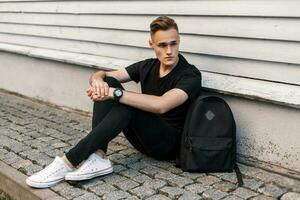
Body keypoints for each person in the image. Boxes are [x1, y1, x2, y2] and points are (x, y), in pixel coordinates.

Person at [26, 16, 202, 188]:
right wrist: (98, 81)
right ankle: (98, 156)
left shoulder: (190, 74)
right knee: (108, 84)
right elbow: (105, 75)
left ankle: (68, 162)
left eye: (173, 43)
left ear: (179, 41)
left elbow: (161, 105)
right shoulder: (147, 66)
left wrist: (114, 93)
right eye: (162, 45)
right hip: (143, 140)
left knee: (126, 105)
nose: (169, 51)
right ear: (152, 44)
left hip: (168, 145)